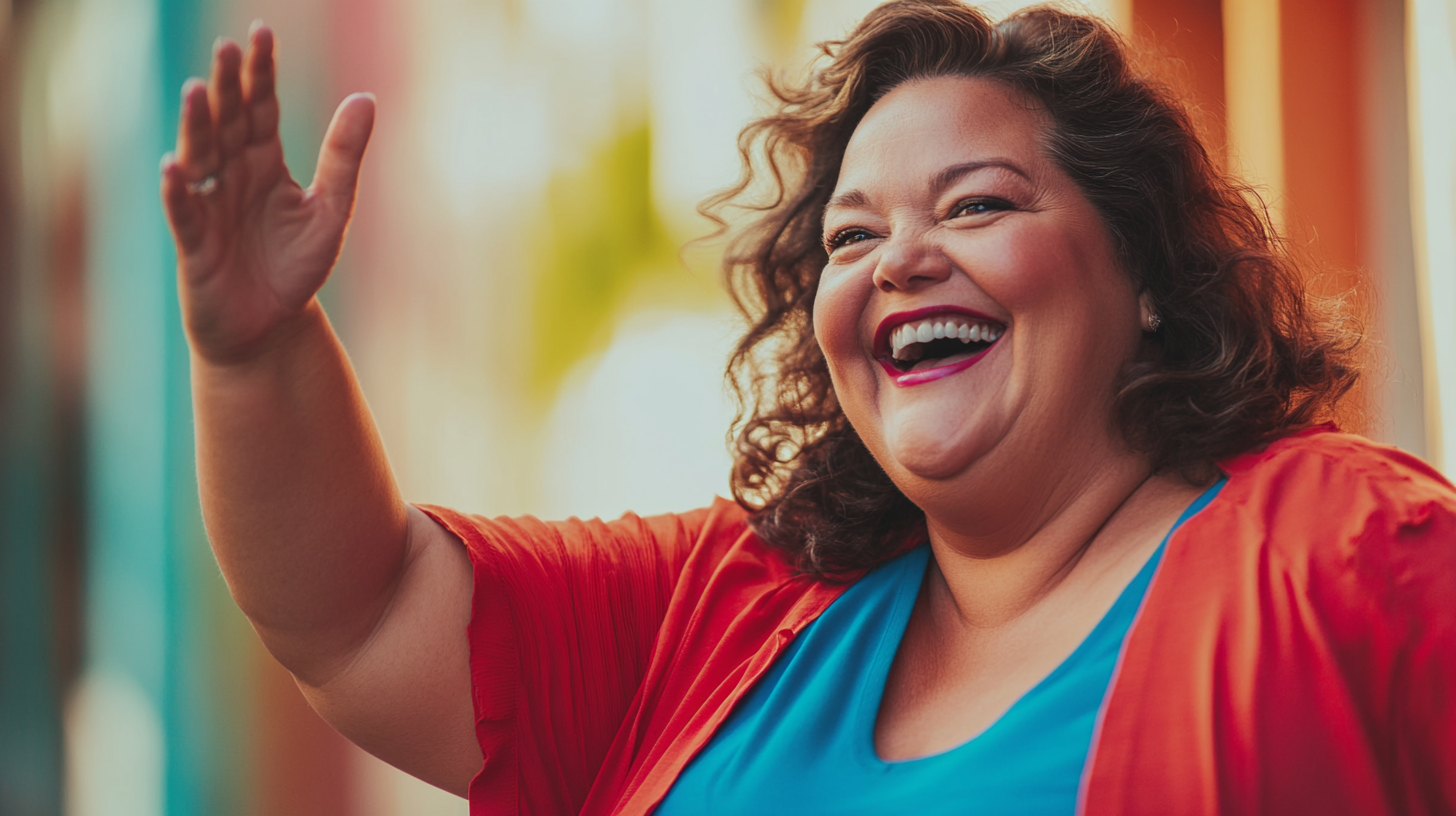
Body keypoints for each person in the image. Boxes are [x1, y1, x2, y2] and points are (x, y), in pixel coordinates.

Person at [159, 1, 1456, 814]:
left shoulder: (1354, 558)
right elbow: (360, 613)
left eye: (978, 204)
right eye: (852, 235)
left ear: (1147, 278)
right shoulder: (724, 606)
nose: (899, 259)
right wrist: (256, 353)